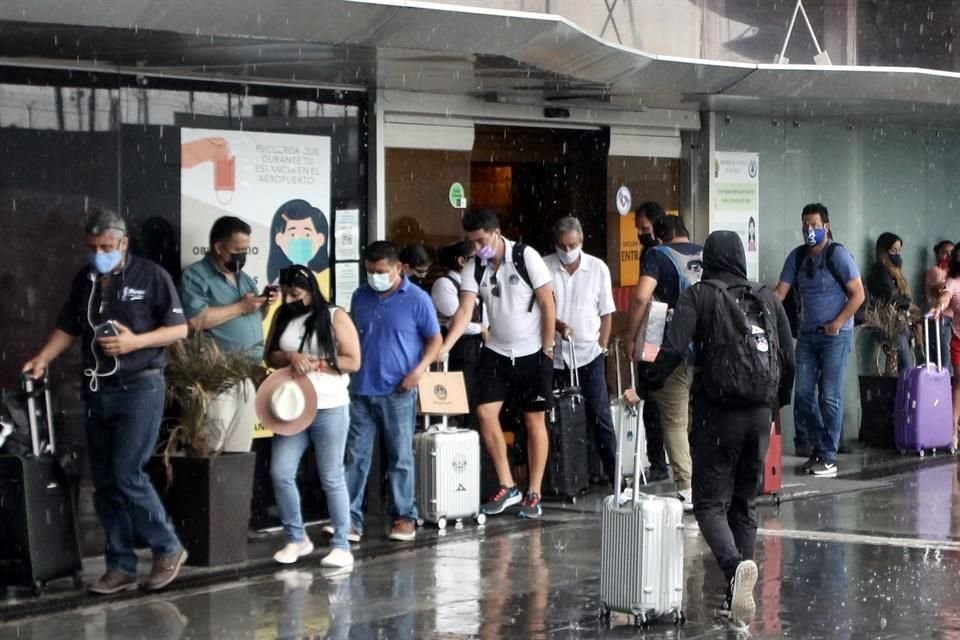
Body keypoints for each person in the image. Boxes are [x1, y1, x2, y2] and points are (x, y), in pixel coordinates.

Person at [22, 209, 189, 594]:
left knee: (128, 471)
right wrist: (43, 358)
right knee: (104, 482)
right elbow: (68, 325)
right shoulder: (86, 279)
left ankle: (167, 547)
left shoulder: (152, 276)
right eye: (93, 247)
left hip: (140, 387)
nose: (99, 253)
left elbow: (179, 328)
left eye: (107, 247)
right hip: (98, 388)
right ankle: (121, 564)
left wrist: (136, 342)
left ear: (124, 243)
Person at [637, 230, 795, 627]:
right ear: (740, 257)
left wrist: (648, 383)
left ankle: (733, 568)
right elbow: (789, 358)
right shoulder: (767, 298)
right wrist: (776, 405)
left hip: (718, 411)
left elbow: (673, 348)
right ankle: (735, 596)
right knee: (745, 503)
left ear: (709, 258)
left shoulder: (700, 295)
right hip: (761, 413)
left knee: (709, 503)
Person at [440, 209, 556, 519]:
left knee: (534, 422)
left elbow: (547, 301)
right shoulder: (475, 267)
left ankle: (534, 491)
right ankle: (507, 484)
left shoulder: (525, 256)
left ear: (496, 232)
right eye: (471, 242)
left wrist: (548, 347)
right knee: (484, 412)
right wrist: (445, 346)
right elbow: (464, 311)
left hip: (532, 352)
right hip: (496, 351)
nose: (477, 248)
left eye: (480, 241)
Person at [345, 241, 442, 542]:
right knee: (355, 457)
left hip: (399, 389)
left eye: (381, 271)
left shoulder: (417, 299)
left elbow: (435, 340)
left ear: (398, 267)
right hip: (361, 388)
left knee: (399, 456)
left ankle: (404, 516)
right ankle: (348, 519)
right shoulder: (360, 296)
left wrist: (419, 370)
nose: (375, 276)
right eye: (370, 271)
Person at [264, 264, 360, 568]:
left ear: (310, 289)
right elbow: (271, 355)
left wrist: (317, 363)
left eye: (297, 293)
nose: (292, 299)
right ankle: (296, 537)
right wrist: (292, 356)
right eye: (287, 294)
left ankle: (341, 543)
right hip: (292, 405)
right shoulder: (283, 316)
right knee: (281, 472)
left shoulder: (334, 315)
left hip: (330, 403)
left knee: (331, 475)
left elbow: (353, 361)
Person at [774, 203, 865, 478]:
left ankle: (828, 456)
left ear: (826, 226)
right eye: (805, 225)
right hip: (807, 336)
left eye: (814, 225)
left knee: (830, 397)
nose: (809, 230)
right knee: (801, 395)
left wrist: (837, 323)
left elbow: (858, 294)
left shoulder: (837, 254)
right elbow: (780, 293)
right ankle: (821, 446)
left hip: (836, 336)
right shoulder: (797, 257)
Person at [624, 209, 703, 511]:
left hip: (674, 349)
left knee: (674, 421)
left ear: (659, 235)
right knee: (699, 420)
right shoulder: (705, 254)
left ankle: (686, 487)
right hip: (708, 350)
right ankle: (706, 483)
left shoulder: (658, 255)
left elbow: (642, 297)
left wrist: (630, 337)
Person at [180, 216, 278, 452]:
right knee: (212, 444)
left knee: (239, 448)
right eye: (237, 250)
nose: (242, 256)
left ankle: (233, 489)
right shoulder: (196, 276)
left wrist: (263, 305)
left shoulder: (243, 279)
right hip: (216, 377)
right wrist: (241, 307)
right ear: (219, 247)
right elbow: (195, 320)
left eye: (246, 250)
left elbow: (250, 318)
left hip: (246, 375)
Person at [543, 216, 619, 487]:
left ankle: (614, 475)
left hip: (589, 353)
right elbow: (541, 309)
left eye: (572, 245)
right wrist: (558, 326)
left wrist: (602, 346)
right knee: (556, 418)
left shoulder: (597, 268)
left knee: (599, 415)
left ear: (581, 241)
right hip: (555, 355)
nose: (567, 251)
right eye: (562, 246)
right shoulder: (545, 266)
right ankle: (563, 477)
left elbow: (607, 313)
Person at [432, 240, 488, 419]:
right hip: (458, 349)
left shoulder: (477, 285)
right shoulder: (445, 284)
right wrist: (481, 328)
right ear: (462, 261)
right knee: (458, 401)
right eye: (475, 259)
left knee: (476, 402)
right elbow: (454, 320)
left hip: (478, 351)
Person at [866, 232, 917, 372]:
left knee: (905, 363)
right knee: (906, 365)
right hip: (890, 323)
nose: (897, 255)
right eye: (893, 250)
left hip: (900, 322)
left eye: (899, 251)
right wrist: (909, 305)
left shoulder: (894, 273)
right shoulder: (879, 272)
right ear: (883, 251)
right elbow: (892, 297)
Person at [267, 199, 330, 292]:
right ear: (279, 239)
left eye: (307, 235)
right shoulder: (278, 285)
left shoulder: (326, 279)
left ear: (320, 239)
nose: (300, 241)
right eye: (292, 235)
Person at [934, 245, 960, 449]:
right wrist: (939, 307)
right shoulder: (953, 282)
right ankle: (952, 430)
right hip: (959, 339)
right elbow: (945, 297)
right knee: (959, 383)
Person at [927, 241, 955, 375]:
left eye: (952, 253)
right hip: (941, 319)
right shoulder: (935, 271)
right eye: (944, 252)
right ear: (937, 254)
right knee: (944, 358)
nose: (948, 256)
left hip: (953, 320)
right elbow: (940, 292)